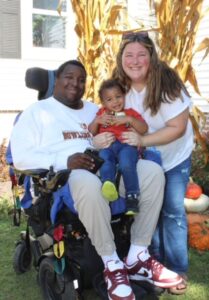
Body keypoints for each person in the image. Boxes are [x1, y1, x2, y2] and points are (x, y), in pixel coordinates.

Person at [10, 60, 182, 300]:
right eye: (69, 77)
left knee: (151, 172)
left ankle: (137, 256)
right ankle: (112, 264)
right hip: (65, 178)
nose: (75, 83)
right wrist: (65, 160)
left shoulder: (94, 109)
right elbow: (20, 158)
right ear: (56, 80)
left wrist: (102, 142)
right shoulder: (36, 113)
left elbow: (111, 131)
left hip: (107, 166)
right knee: (86, 181)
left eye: (81, 80)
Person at [113, 31, 194, 295]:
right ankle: (155, 266)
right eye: (129, 55)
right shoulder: (118, 86)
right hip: (146, 159)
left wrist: (141, 139)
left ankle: (178, 268)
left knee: (171, 212)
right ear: (121, 58)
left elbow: (178, 127)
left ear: (151, 57)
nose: (135, 61)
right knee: (150, 210)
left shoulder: (167, 81)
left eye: (141, 55)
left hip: (173, 156)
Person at [88, 78, 148, 215]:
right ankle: (108, 184)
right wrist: (97, 121)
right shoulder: (102, 114)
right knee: (104, 158)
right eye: (109, 99)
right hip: (108, 146)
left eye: (118, 97)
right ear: (103, 103)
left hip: (126, 146)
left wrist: (129, 120)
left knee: (127, 163)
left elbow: (144, 129)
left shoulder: (130, 113)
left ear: (124, 96)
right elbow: (91, 132)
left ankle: (132, 197)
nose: (115, 102)